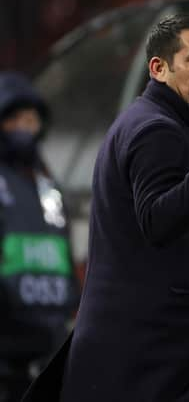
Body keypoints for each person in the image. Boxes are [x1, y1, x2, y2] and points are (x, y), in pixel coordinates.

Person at [22, 14, 189, 402]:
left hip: (153, 345)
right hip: (154, 350)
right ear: (158, 68)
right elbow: (158, 219)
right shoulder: (156, 131)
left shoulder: (158, 121)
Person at [0, 72, 78, 402]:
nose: (25, 128)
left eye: (32, 120)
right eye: (15, 118)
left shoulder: (48, 185)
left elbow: (64, 250)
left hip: (49, 346)